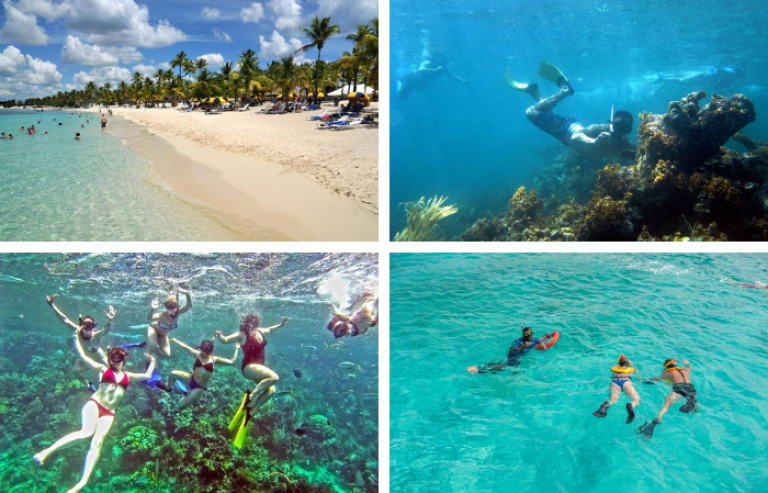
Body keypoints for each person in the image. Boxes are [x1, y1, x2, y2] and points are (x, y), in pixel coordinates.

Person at [33, 329, 156, 493]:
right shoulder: (102, 369)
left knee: (97, 443)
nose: (116, 360)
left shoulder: (128, 375)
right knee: (85, 433)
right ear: (110, 358)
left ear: (123, 359)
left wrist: (152, 360)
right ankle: (46, 452)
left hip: (109, 413)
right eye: (114, 357)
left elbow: (148, 375)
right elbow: (83, 357)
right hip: (94, 404)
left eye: (120, 358)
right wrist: (75, 338)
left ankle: (82, 483)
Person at [506, 62, 636, 159]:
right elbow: (574, 138)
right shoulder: (599, 131)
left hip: (566, 137)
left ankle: (534, 93)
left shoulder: (625, 145)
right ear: (611, 124)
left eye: (626, 129)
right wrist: (594, 142)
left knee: (545, 116)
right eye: (618, 127)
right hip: (566, 129)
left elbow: (640, 156)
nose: (620, 133)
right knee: (529, 113)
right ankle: (564, 91)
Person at [216, 314, 288, 447]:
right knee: (274, 378)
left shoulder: (260, 331)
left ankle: (252, 411)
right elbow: (225, 340)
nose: (254, 325)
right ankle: (253, 396)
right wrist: (220, 335)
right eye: (252, 323)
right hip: (248, 367)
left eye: (256, 323)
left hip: (258, 367)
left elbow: (270, 329)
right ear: (247, 323)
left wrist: (281, 324)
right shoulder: (242, 334)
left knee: (271, 390)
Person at [158, 338, 239, 411]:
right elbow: (185, 347)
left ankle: (189, 398)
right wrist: (174, 340)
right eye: (204, 351)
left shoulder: (215, 359)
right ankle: (168, 388)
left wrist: (237, 349)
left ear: (211, 351)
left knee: (180, 407)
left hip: (199, 387)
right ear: (201, 349)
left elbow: (232, 361)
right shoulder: (198, 354)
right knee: (173, 373)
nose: (205, 354)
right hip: (190, 378)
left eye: (208, 352)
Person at [47, 293, 115, 369]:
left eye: (90, 325)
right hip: (86, 359)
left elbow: (105, 331)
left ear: (92, 327)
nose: (87, 327)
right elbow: (65, 319)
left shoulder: (96, 335)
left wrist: (110, 320)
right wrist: (52, 306)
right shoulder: (77, 331)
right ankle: (88, 382)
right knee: (75, 371)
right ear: (81, 325)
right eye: (85, 325)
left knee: (113, 371)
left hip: (99, 357)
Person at [637, 359, 697, 439]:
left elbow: (657, 379)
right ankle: (694, 406)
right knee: (691, 398)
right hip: (691, 388)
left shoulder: (667, 372)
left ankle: (659, 417)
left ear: (666, 366)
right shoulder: (684, 369)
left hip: (679, 387)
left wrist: (646, 379)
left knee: (668, 402)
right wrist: (686, 363)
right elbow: (690, 367)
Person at [467, 325, 547, 374]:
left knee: (514, 371)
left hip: (519, 358)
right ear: (524, 335)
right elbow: (512, 349)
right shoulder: (518, 341)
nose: (530, 337)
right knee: (507, 368)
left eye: (531, 335)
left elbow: (540, 341)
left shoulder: (533, 339)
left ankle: (491, 366)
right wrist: (522, 346)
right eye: (528, 335)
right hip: (513, 356)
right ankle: (480, 370)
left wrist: (542, 343)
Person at [592, 354, 644, 423]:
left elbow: (616, 365)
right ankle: (631, 405)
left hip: (615, 383)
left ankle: (607, 404)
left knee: (613, 401)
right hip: (626, 383)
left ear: (619, 363)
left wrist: (619, 362)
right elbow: (639, 378)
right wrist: (631, 364)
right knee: (636, 399)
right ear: (627, 363)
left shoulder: (614, 369)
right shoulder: (632, 369)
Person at [147, 289, 192, 357]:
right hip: (153, 329)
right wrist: (152, 309)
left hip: (163, 335)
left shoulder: (179, 312)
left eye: (172, 306)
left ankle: (147, 346)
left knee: (167, 355)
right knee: (153, 345)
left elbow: (189, 306)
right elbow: (149, 318)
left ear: (177, 306)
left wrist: (187, 294)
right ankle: (149, 351)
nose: (170, 309)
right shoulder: (162, 315)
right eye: (168, 306)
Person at [397, 59, 468, 100]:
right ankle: (400, 81)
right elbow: (420, 70)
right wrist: (435, 70)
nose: (445, 64)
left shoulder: (443, 67)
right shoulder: (428, 62)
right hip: (413, 78)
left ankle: (403, 83)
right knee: (402, 95)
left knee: (419, 90)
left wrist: (461, 80)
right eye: (444, 61)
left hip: (422, 80)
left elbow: (451, 76)